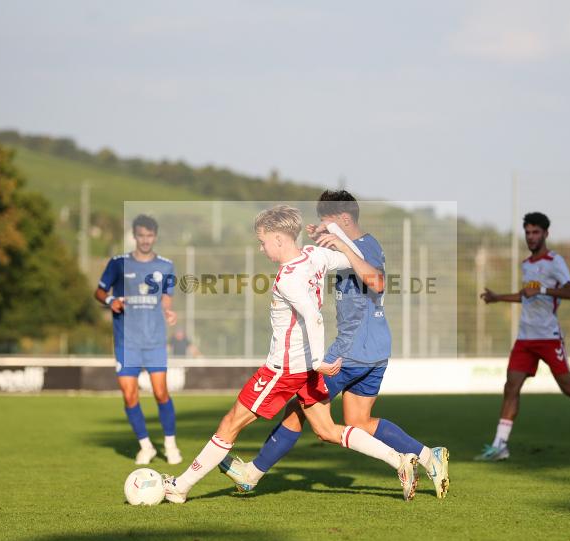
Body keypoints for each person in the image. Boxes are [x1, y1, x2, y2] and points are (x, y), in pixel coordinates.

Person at [161, 205, 419, 503]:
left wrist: (318, 360)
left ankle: (180, 487)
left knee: (230, 423)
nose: (261, 248)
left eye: (263, 241)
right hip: (305, 370)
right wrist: (335, 234)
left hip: (283, 370)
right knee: (326, 429)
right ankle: (399, 460)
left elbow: (313, 317)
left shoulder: (288, 278)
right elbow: (347, 258)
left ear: (280, 239)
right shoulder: (315, 255)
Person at [220, 190, 450, 499]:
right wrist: (323, 237)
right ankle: (427, 456)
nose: (322, 228)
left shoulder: (363, 246)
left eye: (326, 221)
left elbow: (378, 282)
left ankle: (253, 473)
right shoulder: (358, 244)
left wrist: (340, 244)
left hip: (352, 349)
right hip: (375, 348)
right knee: (359, 421)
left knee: (300, 408)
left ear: (343, 219)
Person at [476, 211, 570, 461]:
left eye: (535, 232)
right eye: (527, 232)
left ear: (546, 234)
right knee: (511, 387)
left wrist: (543, 289)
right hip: (525, 338)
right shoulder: (526, 264)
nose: (531, 237)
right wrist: (498, 297)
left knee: (569, 388)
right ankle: (500, 445)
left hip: (548, 337)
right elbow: (526, 295)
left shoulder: (555, 261)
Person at [95, 214, 182, 465]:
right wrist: (111, 301)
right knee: (129, 395)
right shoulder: (118, 263)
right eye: (141, 235)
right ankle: (146, 446)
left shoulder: (166, 266)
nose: (145, 240)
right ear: (134, 236)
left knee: (161, 393)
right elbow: (99, 291)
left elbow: (166, 297)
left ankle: (170, 444)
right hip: (127, 342)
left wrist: (168, 311)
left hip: (154, 340)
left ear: (155, 237)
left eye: (150, 236)